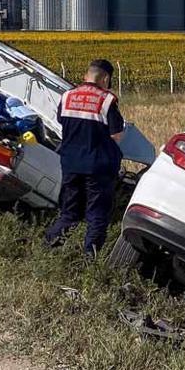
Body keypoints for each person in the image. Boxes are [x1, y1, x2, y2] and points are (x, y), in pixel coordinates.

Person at [44, 59, 124, 256]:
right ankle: (90, 259)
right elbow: (116, 135)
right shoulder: (107, 100)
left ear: (86, 76)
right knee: (97, 215)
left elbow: (62, 121)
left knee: (69, 214)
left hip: (70, 165)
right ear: (105, 78)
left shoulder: (67, 96)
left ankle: (47, 250)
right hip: (98, 167)